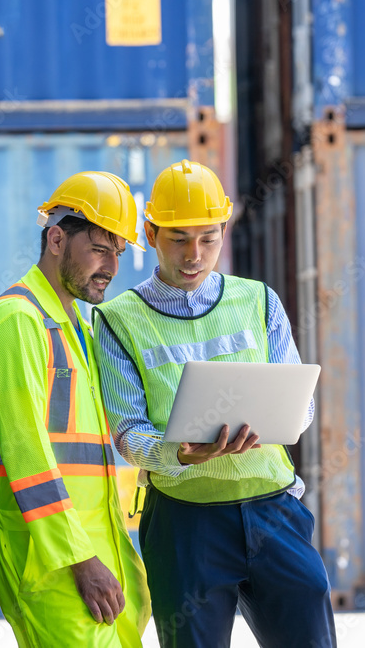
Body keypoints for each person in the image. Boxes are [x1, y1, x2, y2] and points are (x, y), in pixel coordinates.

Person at [92, 160, 337, 648]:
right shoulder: (118, 320)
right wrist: (179, 453)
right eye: (179, 238)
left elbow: (300, 405)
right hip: (187, 524)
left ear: (224, 231)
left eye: (208, 237)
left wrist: (278, 420)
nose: (194, 254)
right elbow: (127, 431)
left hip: (274, 513)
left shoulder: (259, 301)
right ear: (151, 233)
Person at [0, 171, 150, 647]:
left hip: (95, 551)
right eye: (99, 249)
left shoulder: (75, 327)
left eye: (118, 251)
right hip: (55, 560)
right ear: (56, 239)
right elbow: (26, 452)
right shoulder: (17, 322)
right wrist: (80, 559)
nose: (112, 266)